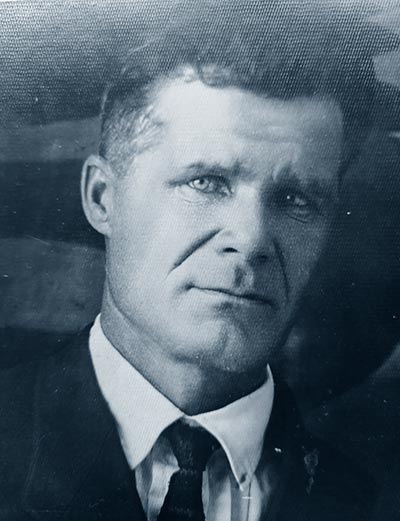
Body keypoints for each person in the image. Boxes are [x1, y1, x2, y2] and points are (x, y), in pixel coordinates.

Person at [0, 1, 396, 520]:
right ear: (103, 198)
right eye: (206, 182)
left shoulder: (377, 494)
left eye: (296, 199)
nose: (251, 239)